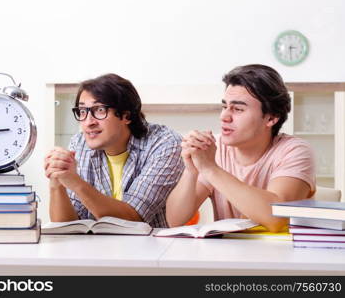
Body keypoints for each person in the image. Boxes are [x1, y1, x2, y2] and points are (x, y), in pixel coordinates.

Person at [166, 64, 316, 232]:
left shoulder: (294, 151)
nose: (224, 117)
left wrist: (210, 168)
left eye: (237, 109)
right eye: (224, 107)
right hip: (228, 253)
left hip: (281, 254)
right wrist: (191, 169)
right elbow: (175, 220)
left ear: (271, 118)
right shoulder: (214, 149)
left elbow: (275, 218)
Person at [44, 73, 184, 228]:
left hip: (151, 249)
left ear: (126, 115)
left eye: (99, 110)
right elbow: (69, 227)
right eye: (83, 111)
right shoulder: (79, 143)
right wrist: (56, 182)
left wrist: (75, 182)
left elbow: (134, 219)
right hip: (96, 249)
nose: (88, 122)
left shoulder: (164, 143)